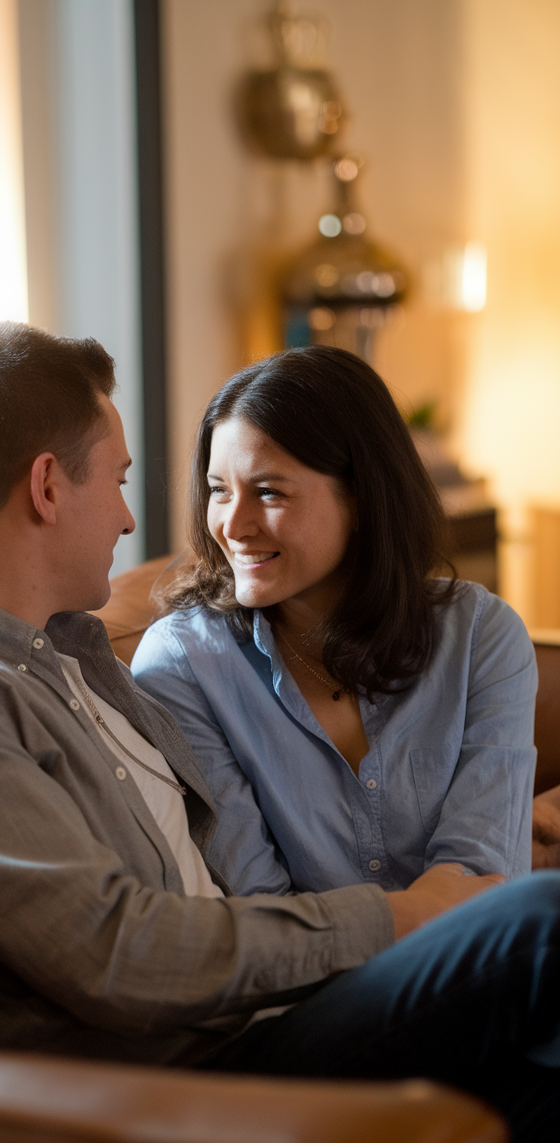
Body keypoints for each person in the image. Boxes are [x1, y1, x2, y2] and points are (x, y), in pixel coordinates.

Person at [0, 321, 560, 1143]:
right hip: (200, 1074)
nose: (133, 516)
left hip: (271, 1028)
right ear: (47, 488)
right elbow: (112, 953)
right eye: (119, 479)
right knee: (539, 923)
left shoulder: (66, 655)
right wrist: (401, 915)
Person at [132, 347, 536, 898]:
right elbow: (260, 905)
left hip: (468, 964)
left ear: (363, 498)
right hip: (308, 978)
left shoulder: (481, 636)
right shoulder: (184, 665)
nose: (233, 525)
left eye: (269, 491)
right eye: (220, 490)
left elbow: (481, 873)